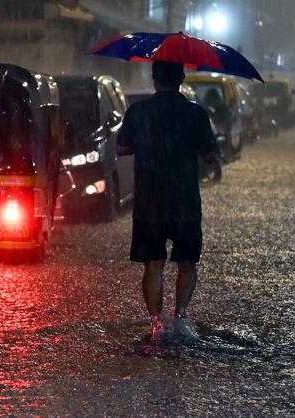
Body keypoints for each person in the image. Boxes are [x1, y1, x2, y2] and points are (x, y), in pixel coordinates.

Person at [116, 61, 217, 340]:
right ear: (182, 78)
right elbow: (209, 155)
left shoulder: (139, 111)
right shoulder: (195, 113)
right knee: (187, 261)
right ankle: (180, 315)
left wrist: (147, 143)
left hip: (150, 201)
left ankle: (156, 323)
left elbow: (122, 147)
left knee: (153, 264)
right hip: (184, 200)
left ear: (154, 79)